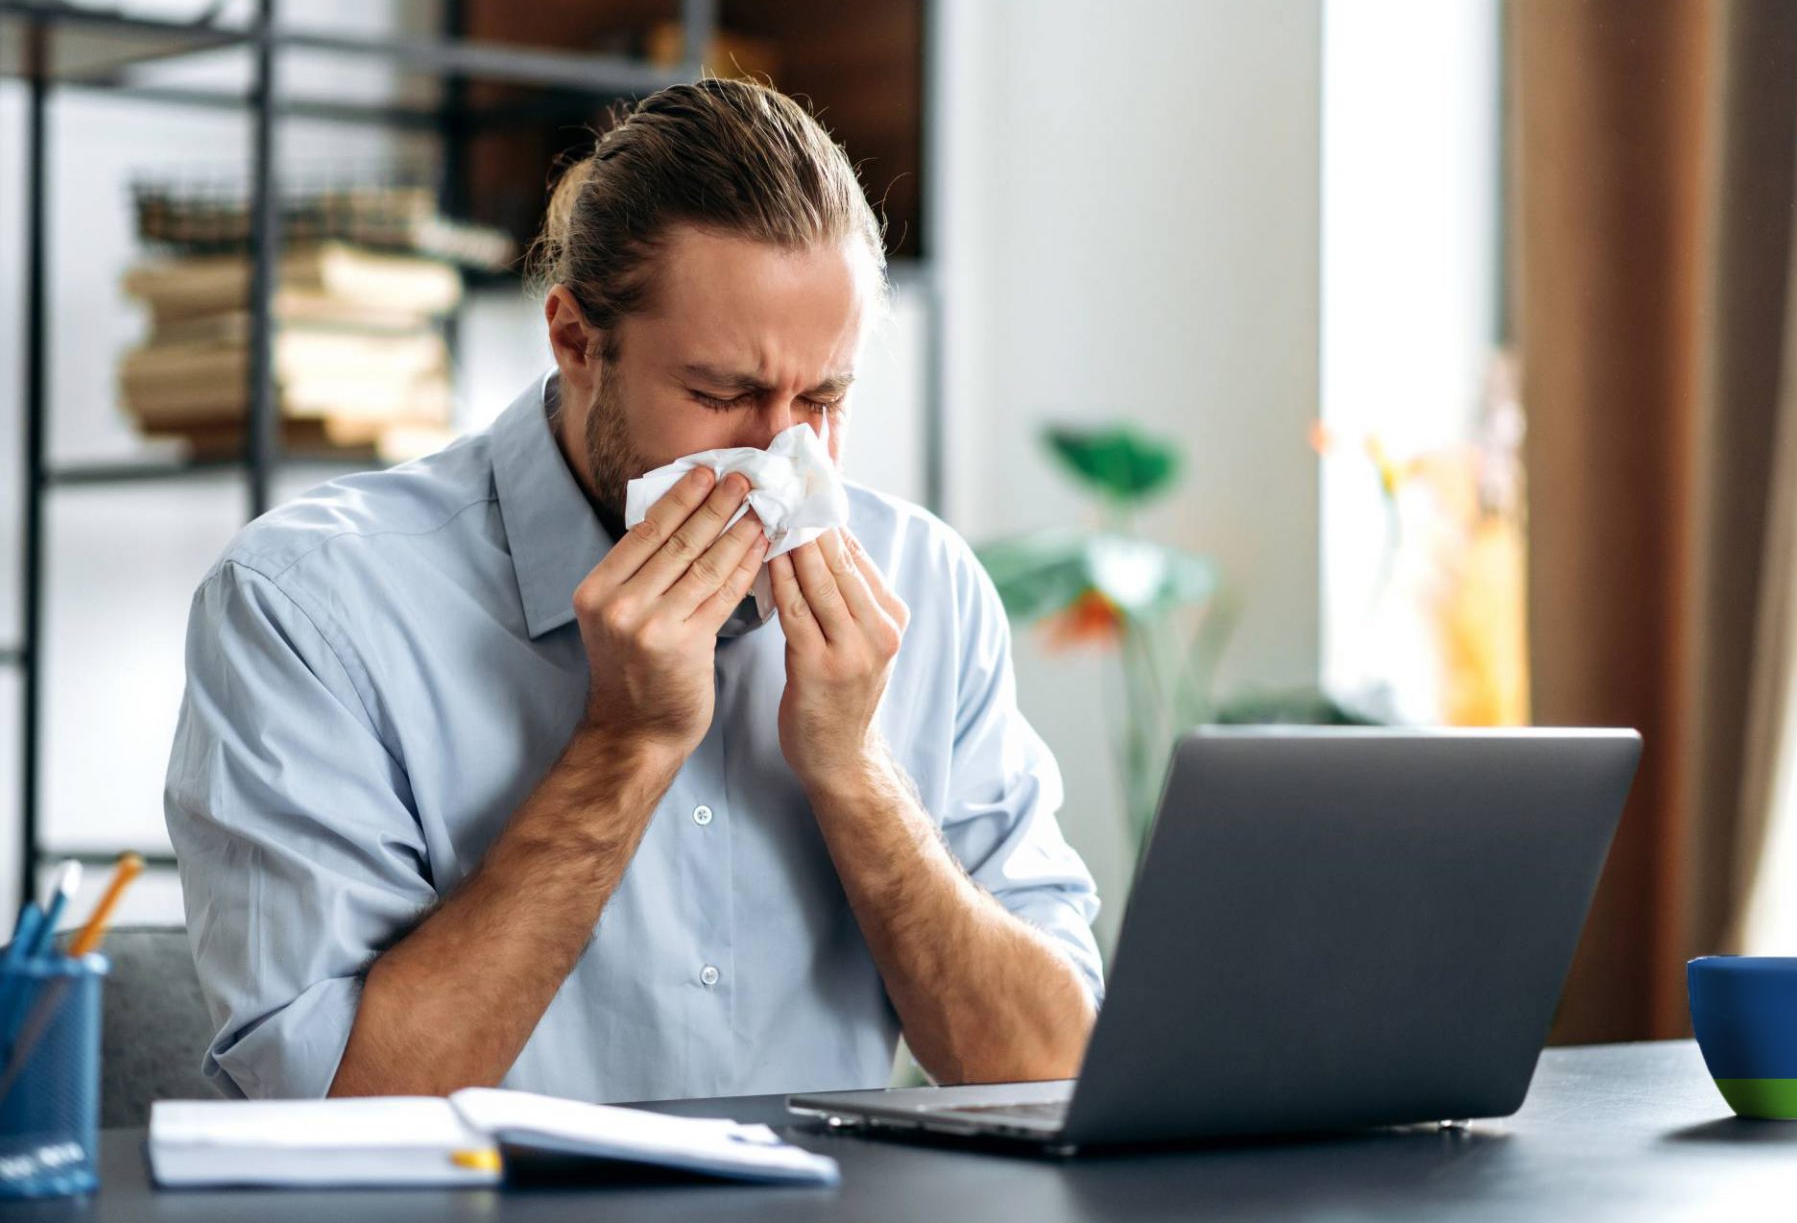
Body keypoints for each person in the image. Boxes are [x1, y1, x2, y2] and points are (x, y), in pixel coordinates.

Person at [163, 79, 1103, 1103]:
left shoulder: (927, 584)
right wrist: (626, 743)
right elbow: (332, 1112)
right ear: (576, 341)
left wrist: (858, 774)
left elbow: (1050, 1072)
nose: (781, 457)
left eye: (823, 399)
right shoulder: (308, 606)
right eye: (721, 393)